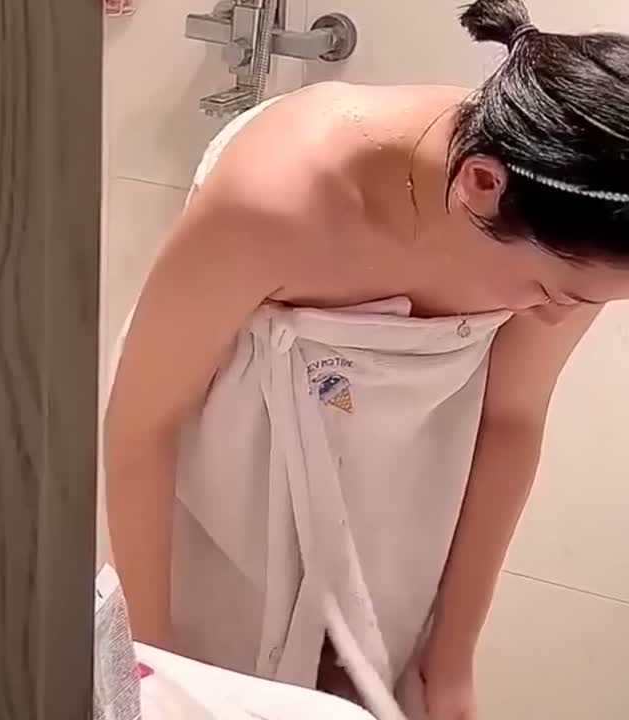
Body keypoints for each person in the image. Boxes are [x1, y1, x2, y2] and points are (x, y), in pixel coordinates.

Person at [105, 1, 629, 718]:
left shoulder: (572, 211)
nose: (557, 317)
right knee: (215, 663)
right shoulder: (283, 196)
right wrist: (148, 664)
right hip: (231, 467)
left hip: (404, 487)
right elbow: (141, 422)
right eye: (552, 291)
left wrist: (451, 658)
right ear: (480, 185)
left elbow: (510, 422)